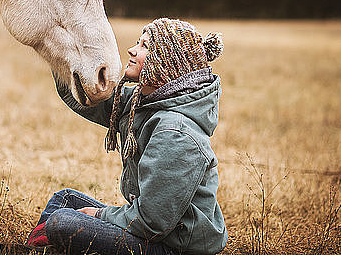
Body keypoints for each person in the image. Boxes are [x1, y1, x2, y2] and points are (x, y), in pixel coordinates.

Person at [26, 18, 227, 255]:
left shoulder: (176, 133)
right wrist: (64, 49)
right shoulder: (143, 103)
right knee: (65, 200)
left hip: (174, 247)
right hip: (153, 232)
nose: (132, 49)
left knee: (63, 223)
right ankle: (34, 250)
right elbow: (88, 100)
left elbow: (153, 223)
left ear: (164, 64)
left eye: (144, 46)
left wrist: (99, 215)